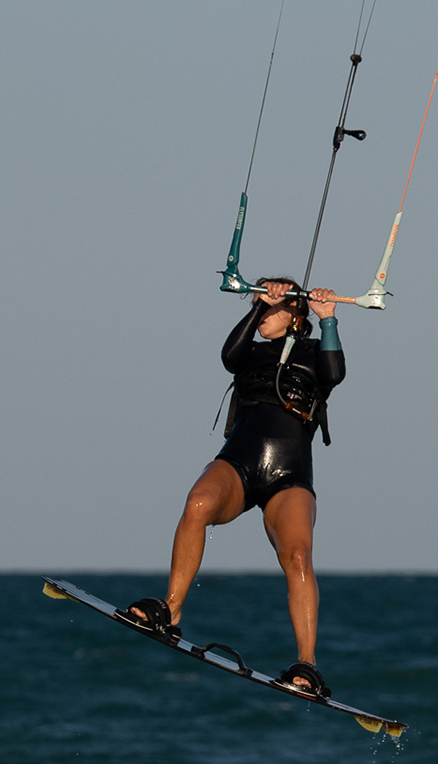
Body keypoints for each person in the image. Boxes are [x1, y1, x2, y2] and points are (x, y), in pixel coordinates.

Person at [122, 277, 345, 697]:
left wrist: (328, 318)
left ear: (295, 315)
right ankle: (170, 610)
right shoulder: (251, 353)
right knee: (197, 503)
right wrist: (260, 304)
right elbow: (229, 356)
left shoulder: (316, 355)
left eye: (275, 306)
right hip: (239, 462)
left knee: (298, 554)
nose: (264, 311)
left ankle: (307, 664)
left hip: (289, 475)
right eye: (260, 303)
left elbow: (336, 374)